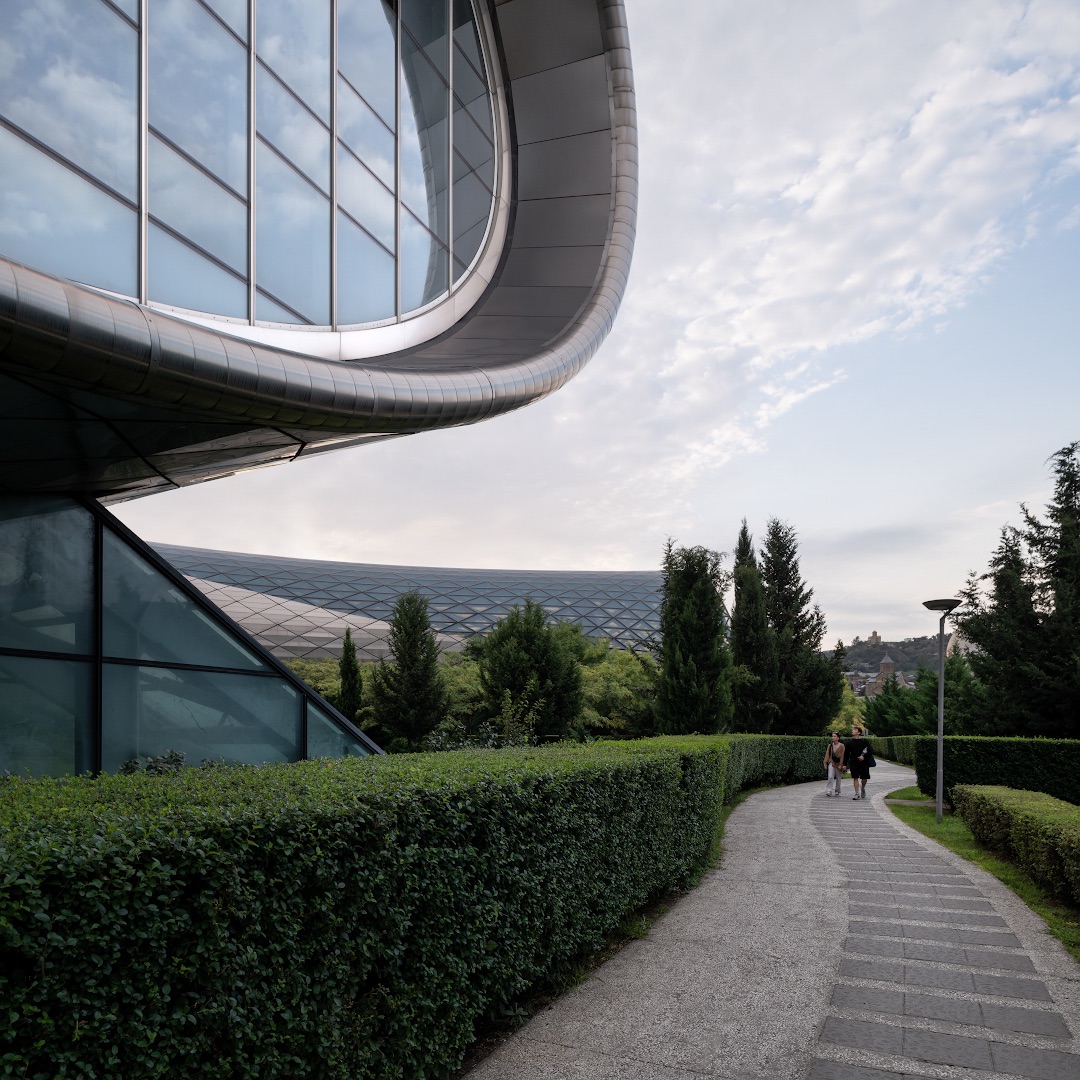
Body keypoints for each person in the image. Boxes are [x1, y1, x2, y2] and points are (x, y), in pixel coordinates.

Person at [846, 725, 872, 799]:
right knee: (855, 777)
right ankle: (856, 793)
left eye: (855, 730)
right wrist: (844, 764)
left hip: (864, 763)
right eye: (853, 730)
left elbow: (870, 751)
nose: (853, 731)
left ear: (859, 732)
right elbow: (846, 754)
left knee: (864, 778)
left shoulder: (864, 742)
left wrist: (863, 757)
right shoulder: (849, 743)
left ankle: (862, 788)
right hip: (854, 762)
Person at [823, 731, 845, 796]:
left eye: (834, 736)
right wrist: (825, 762)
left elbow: (843, 755)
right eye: (832, 736)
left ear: (838, 738)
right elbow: (827, 754)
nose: (833, 737)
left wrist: (841, 764)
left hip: (838, 763)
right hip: (831, 762)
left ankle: (837, 790)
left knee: (838, 777)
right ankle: (829, 790)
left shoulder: (842, 746)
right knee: (830, 776)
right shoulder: (830, 746)